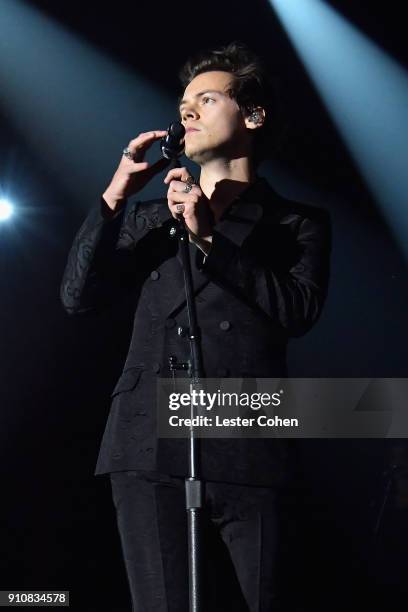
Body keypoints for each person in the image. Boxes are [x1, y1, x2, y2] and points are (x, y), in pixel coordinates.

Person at [61, 42, 331, 611]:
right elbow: (77, 297)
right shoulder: (148, 218)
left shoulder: (296, 223)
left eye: (206, 99)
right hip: (147, 442)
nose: (187, 111)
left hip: (249, 438)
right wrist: (115, 196)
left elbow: (298, 311)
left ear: (252, 115)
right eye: (183, 103)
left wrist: (210, 238)